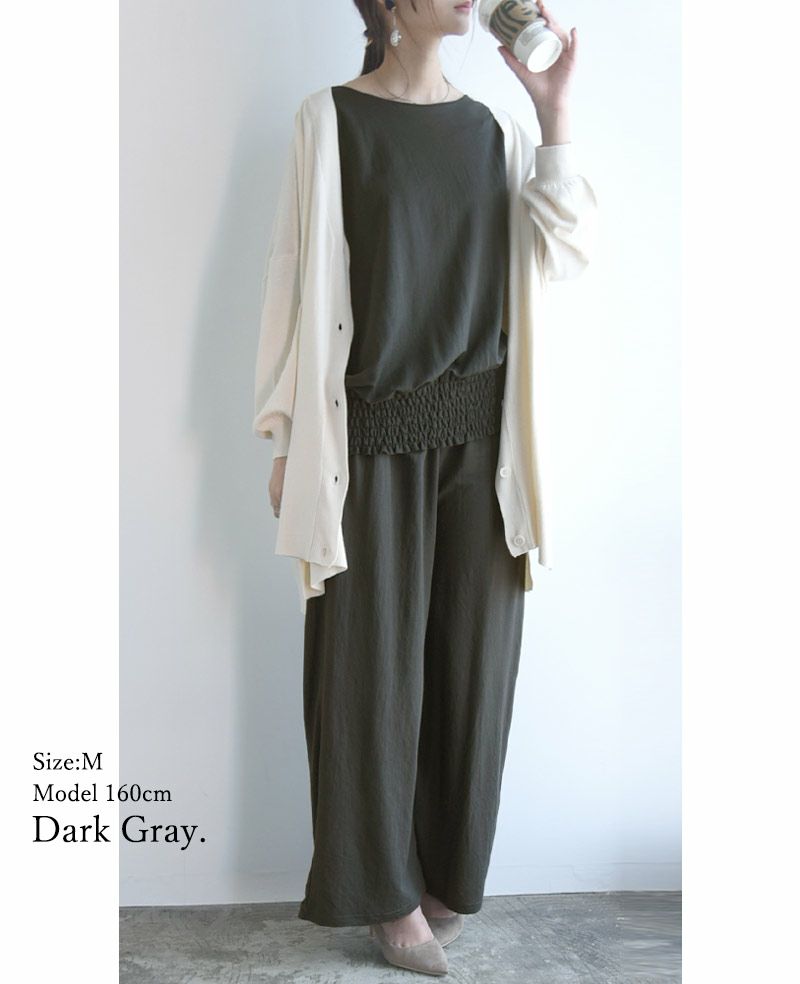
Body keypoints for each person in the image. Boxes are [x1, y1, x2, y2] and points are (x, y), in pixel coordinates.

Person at [253, 1, 596, 975]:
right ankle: (383, 896)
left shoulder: (495, 132)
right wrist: (283, 432)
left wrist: (553, 112)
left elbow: (567, 250)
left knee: (472, 672)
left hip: (483, 442)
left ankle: (446, 875)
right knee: (365, 675)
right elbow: (292, 278)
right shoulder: (329, 120)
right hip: (367, 439)